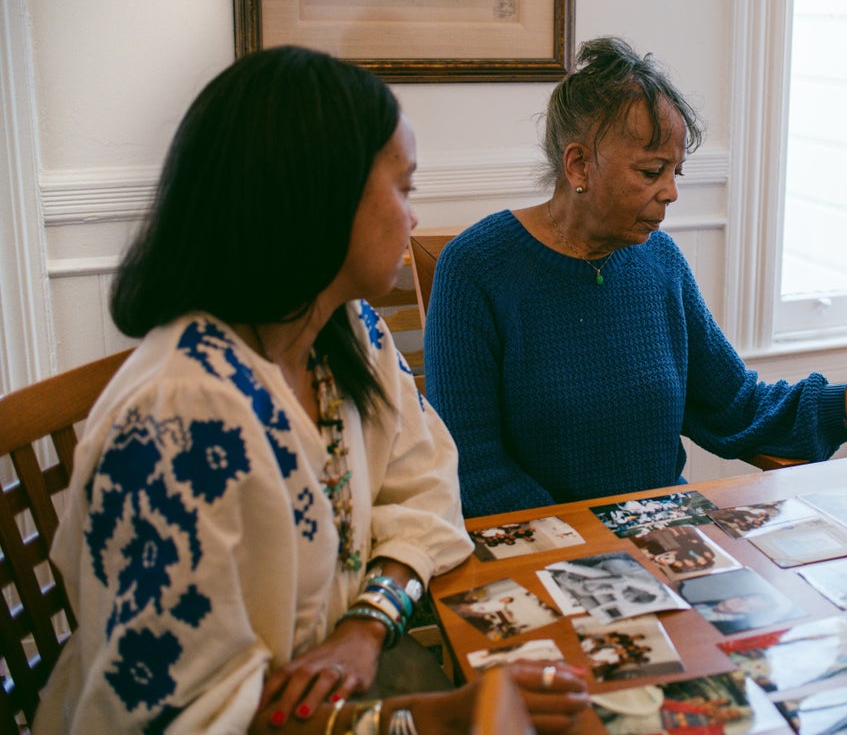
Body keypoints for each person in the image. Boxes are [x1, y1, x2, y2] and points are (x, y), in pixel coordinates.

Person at [34, 47, 587, 734]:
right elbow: (184, 719)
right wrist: (436, 719)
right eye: (404, 187)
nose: (414, 218)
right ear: (318, 195)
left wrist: (366, 621)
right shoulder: (176, 419)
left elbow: (426, 483)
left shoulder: (344, 331)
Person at [423, 36, 847, 517]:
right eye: (651, 172)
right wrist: (594, 553)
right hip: (550, 558)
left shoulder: (658, 261)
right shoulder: (477, 268)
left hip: (665, 540)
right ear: (577, 167)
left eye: (675, 171)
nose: (670, 192)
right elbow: (476, 470)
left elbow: (737, 407)